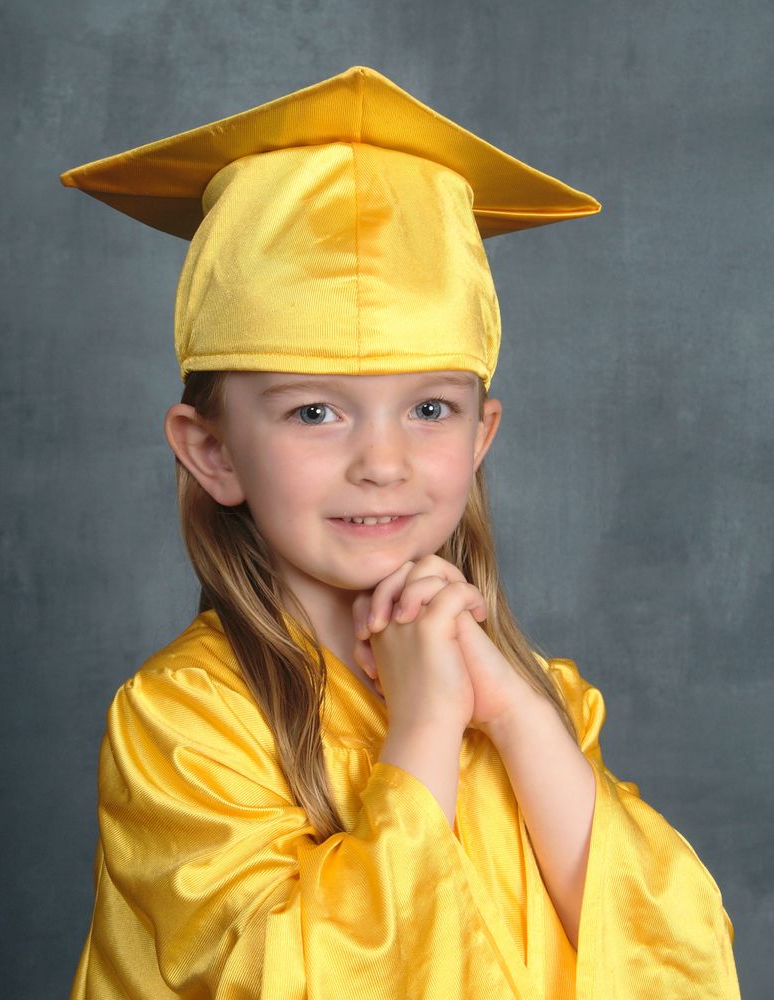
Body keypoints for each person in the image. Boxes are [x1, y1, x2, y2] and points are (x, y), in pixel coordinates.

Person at [61, 66, 740, 999]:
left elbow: (674, 957)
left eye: (429, 406)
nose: (383, 462)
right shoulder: (185, 721)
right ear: (211, 451)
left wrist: (511, 715)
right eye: (313, 414)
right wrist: (423, 724)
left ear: (481, 435)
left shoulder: (541, 699)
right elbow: (292, 980)